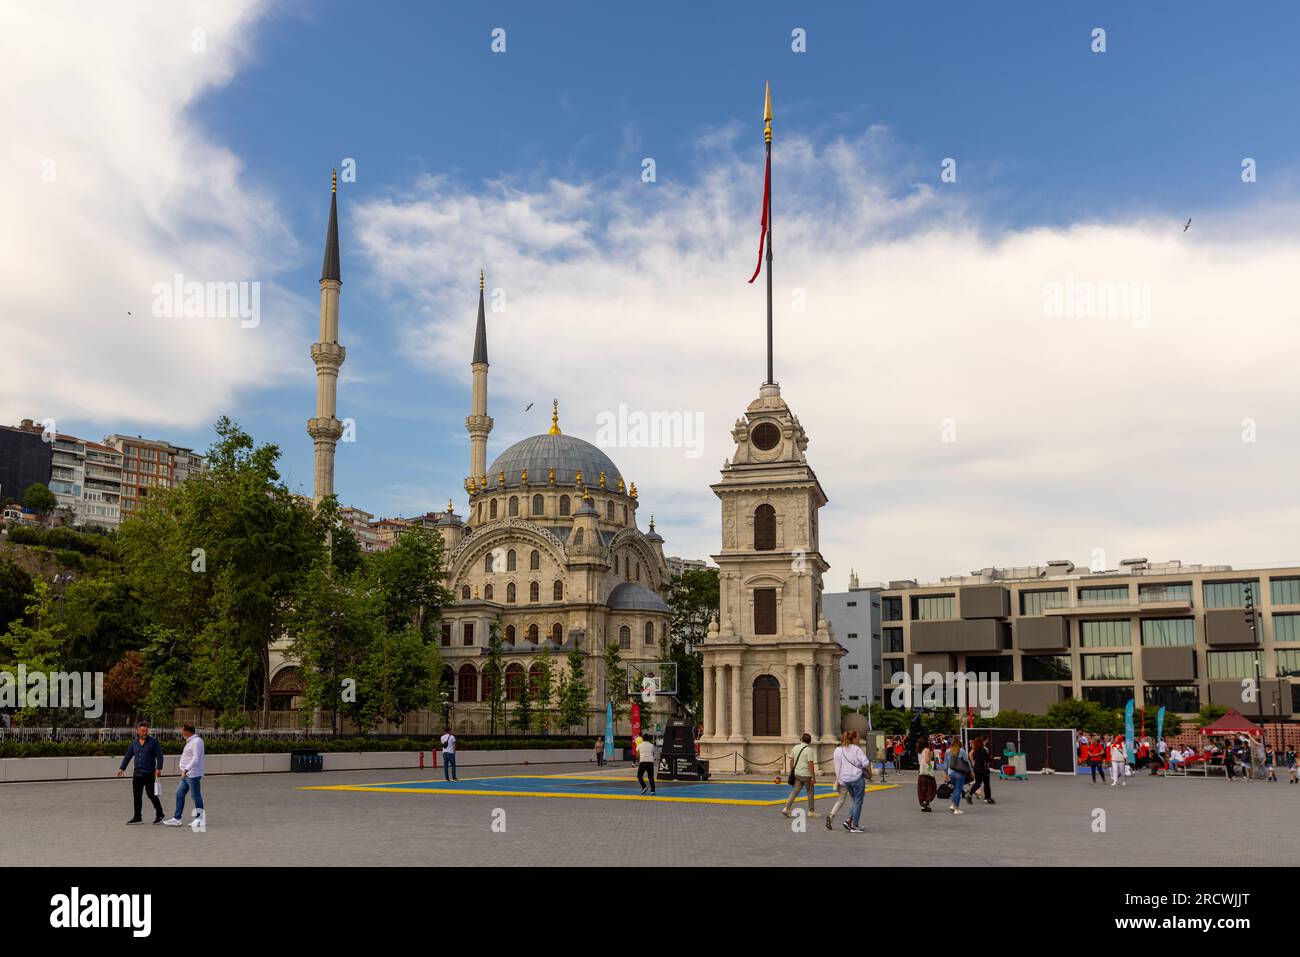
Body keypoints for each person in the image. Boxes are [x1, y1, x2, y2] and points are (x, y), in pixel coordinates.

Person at [116, 720, 165, 825]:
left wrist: (159, 768)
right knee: (137, 796)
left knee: (151, 794)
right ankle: (137, 817)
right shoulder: (134, 743)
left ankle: (160, 813)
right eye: (142, 731)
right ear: (137, 731)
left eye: (146, 731)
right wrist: (122, 768)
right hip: (137, 774)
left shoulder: (153, 742)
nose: (145, 733)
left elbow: (159, 755)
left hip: (149, 773)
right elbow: (128, 755)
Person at [164, 724, 205, 829]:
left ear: (187, 731)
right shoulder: (191, 741)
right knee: (179, 793)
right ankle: (177, 819)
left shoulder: (197, 742)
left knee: (196, 796)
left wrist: (186, 769)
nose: (181, 733)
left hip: (192, 774)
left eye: (182, 731)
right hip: (187, 774)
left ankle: (200, 819)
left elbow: (195, 758)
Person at [826, 730, 868, 832]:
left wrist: (840, 780)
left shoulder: (837, 750)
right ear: (852, 739)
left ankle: (841, 818)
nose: (859, 739)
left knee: (847, 800)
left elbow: (837, 767)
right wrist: (869, 774)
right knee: (857, 801)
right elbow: (865, 763)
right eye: (857, 737)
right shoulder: (855, 749)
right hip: (855, 778)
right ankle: (853, 823)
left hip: (843, 779)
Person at [782, 732, 818, 819]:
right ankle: (811, 811)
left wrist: (792, 771)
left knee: (794, 792)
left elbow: (791, 761)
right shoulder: (809, 750)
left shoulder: (795, 747)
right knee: (810, 793)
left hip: (797, 774)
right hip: (806, 775)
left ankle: (786, 808)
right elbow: (810, 764)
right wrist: (813, 776)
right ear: (809, 741)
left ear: (801, 739)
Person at [944, 738, 972, 815]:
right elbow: (967, 762)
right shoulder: (962, 751)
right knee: (958, 789)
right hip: (960, 773)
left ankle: (953, 805)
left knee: (955, 789)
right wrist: (971, 771)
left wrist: (946, 774)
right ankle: (956, 808)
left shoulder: (947, 751)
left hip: (951, 773)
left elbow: (945, 765)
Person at [966, 735, 995, 805]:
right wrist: (994, 758)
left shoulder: (975, 751)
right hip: (983, 770)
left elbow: (975, 759)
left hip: (976, 769)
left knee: (977, 783)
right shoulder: (983, 750)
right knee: (987, 784)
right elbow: (987, 759)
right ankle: (987, 798)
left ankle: (969, 794)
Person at [916, 739, 937, 812]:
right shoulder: (927, 749)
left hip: (921, 771)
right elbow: (927, 760)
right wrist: (931, 755)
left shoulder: (919, 751)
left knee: (922, 789)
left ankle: (924, 804)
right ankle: (926, 802)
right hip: (927, 771)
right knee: (932, 788)